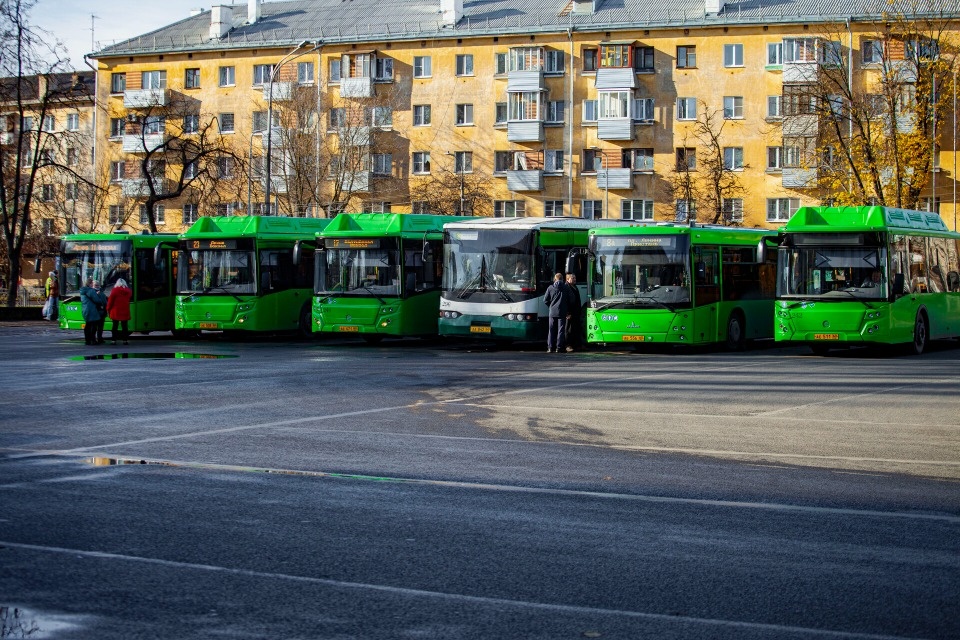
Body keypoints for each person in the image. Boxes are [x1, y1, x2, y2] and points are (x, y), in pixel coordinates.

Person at [543, 272, 570, 353]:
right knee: (561, 330)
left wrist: (550, 306)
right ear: (562, 279)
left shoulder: (550, 288)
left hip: (552, 312)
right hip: (562, 311)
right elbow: (570, 300)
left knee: (551, 330)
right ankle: (559, 347)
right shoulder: (566, 287)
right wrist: (567, 309)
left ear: (555, 279)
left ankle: (550, 347)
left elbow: (545, 300)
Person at [79, 278, 107, 346]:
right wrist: (99, 297)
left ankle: (87, 340)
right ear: (90, 283)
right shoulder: (90, 291)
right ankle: (93, 340)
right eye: (92, 283)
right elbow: (97, 300)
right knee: (93, 325)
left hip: (85, 309)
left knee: (88, 325)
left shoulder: (83, 290)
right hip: (92, 310)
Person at [106, 278, 132, 345]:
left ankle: (113, 340)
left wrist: (108, 308)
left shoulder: (115, 290)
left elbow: (110, 301)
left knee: (115, 326)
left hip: (116, 311)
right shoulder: (128, 291)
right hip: (125, 310)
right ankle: (125, 340)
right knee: (124, 326)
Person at [564, 273, 582, 352]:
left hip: (576, 312)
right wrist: (567, 313)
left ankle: (576, 345)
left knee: (575, 328)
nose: (574, 279)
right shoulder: (566, 287)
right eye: (573, 278)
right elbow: (565, 301)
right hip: (570, 313)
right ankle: (567, 345)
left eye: (575, 278)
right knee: (568, 329)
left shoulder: (575, 287)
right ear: (568, 279)